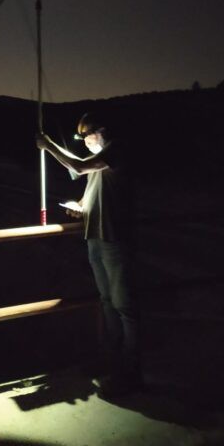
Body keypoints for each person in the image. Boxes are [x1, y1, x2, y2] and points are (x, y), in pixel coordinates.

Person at [36, 112, 141, 398]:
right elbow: (89, 183)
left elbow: (80, 167)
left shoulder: (116, 151)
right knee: (107, 302)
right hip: (95, 236)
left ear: (102, 130)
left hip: (115, 238)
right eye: (80, 138)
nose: (84, 141)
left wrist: (49, 145)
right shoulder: (102, 158)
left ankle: (131, 372)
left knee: (125, 307)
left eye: (86, 135)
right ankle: (112, 360)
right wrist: (80, 206)